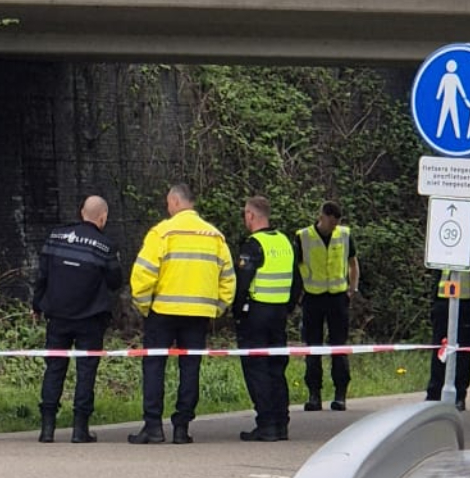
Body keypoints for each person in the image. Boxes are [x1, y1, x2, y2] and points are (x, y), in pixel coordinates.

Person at [128, 183, 234, 445]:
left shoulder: (162, 233)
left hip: (162, 312)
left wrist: (144, 306)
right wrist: (215, 309)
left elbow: (142, 273)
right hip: (198, 315)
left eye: (168, 203)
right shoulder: (215, 237)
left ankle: (153, 427)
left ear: (175, 202)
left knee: (154, 366)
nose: (167, 208)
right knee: (190, 368)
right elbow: (228, 280)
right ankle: (181, 427)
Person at [31, 195, 125, 443]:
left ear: (82, 212)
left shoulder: (55, 237)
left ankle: (47, 429)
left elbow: (42, 275)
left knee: (54, 369)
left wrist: (36, 305)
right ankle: (79, 429)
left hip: (57, 317)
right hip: (90, 319)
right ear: (102, 217)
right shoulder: (105, 247)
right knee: (86, 371)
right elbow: (116, 282)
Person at [232, 196, 299, 441]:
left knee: (257, 368)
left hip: (256, 315)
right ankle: (281, 423)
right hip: (279, 314)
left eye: (245, 214)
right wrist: (287, 307)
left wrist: (237, 313)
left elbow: (242, 284)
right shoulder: (286, 241)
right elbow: (297, 281)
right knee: (276, 368)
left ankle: (266, 423)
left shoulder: (253, 245)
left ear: (251, 215)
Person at [296, 201, 359, 411]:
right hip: (313, 298)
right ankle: (314, 394)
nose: (333, 227)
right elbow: (296, 267)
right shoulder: (303, 236)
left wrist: (352, 288)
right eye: (330, 223)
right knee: (313, 348)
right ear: (321, 217)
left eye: (336, 224)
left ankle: (340, 394)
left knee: (339, 347)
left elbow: (353, 263)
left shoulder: (344, 234)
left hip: (338, 297)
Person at [425, 230, 470, 410]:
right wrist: (434, 301)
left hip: (465, 304)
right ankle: (434, 392)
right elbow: (438, 274)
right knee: (440, 350)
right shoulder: (447, 237)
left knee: (462, 352)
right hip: (443, 301)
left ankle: (459, 395)